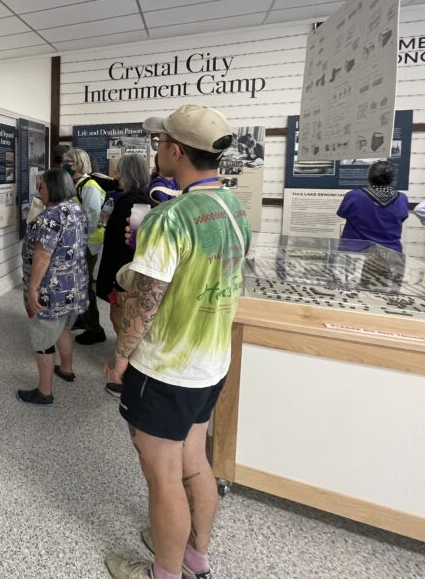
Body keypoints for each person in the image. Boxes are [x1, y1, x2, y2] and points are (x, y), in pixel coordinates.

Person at [103, 105, 250, 579]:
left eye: (161, 141)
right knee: (194, 464)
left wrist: (121, 357)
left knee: (162, 476)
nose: (156, 148)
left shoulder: (171, 218)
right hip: (211, 363)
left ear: (176, 150)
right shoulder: (233, 208)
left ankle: (161, 572)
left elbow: (144, 302)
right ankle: (194, 555)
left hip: (166, 367)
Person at [19, 167, 89, 405]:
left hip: (50, 290)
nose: (39, 190)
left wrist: (32, 289)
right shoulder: (76, 209)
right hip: (73, 287)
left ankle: (44, 392)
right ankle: (66, 369)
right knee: (63, 329)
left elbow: (42, 255)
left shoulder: (52, 216)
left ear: (54, 187)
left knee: (43, 340)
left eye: (42, 186)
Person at [95, 153, 150, 398]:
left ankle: (126, 374)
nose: (115, 175)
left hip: (123, 275)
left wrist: (113, 281)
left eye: (119, 171)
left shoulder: (128, 204)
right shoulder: (150, 199)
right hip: (137, 273)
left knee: (122, 321)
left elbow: (122, 246)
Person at [62, 147, 106, 344]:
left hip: (88, 242)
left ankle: (95, 329)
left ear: (78, 163)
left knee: (86, 286)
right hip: (79, 242)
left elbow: (92, 216)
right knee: (80, 284)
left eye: (68, 162)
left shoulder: (90, 186)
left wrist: (79, 240)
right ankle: (82, 318)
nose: (64, 165)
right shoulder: (76, 183)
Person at [336, 160, 409, 253]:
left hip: (355, 253)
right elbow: (402, 217)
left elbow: (342, 213)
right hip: (390, 253)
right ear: (393, 178)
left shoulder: (354, 195)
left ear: (369, 177)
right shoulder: (402, 198)